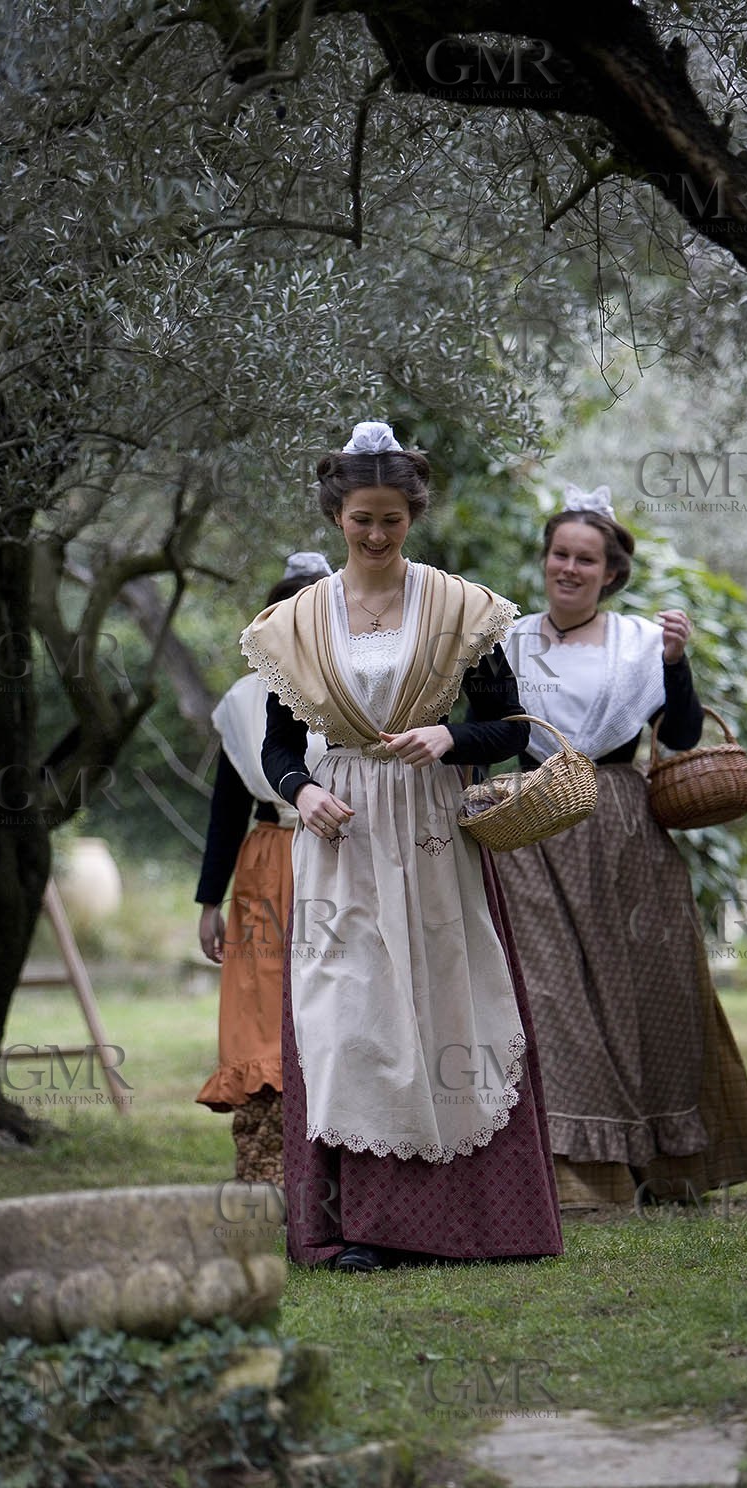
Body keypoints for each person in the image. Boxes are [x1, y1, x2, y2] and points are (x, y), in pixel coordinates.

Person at [240, 420, 562, 1270]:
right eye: (361, 521)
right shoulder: (297, 622)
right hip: (341, 838)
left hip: (428, 835)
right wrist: (301, 790)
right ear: (335, 517)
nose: (376, 536)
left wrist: (450, 741)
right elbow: (278, 744)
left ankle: (466, 1219)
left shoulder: (460, 608)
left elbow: (508, 727)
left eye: (391, 520)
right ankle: (362, 1227)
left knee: (443, 1010)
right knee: (351, 1019)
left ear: (412, 514)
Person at [496, 484, 747, 1206]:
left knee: (645, 990)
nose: (569, 568)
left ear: (610, 573)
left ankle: (663, 1166)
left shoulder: (640, 643)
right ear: (544, 559)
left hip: (621, 824)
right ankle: (578, 1177)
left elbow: (679, 737)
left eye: (585, 559)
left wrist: (677, 664)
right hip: (531, 828)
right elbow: (486, 730)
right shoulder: (506, 640)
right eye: (559, 553)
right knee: (550, 992)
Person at [194, 552, 333, 1184]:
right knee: (261, 1004)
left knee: (337, 995)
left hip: (339, 854)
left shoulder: (360, 688)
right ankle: (268, 1165)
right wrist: (209, 901)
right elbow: (228, 808)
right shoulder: (245, 702)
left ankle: (344, 1156)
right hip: (269, 859)